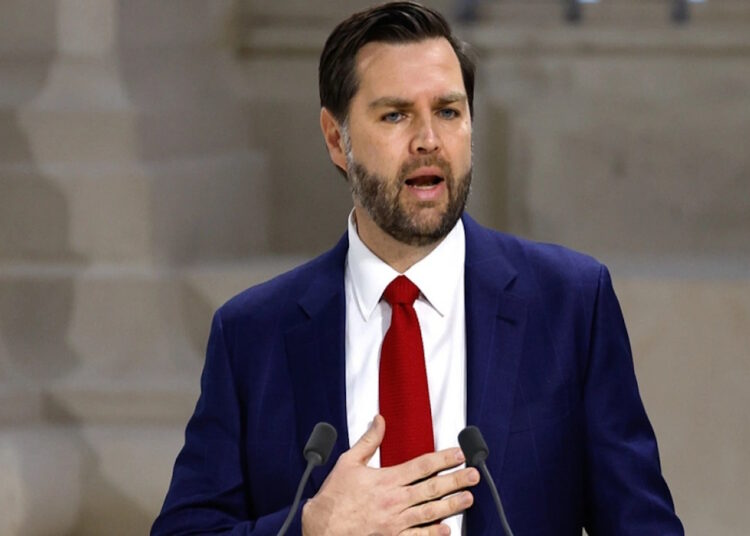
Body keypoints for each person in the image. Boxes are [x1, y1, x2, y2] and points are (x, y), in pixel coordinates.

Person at [152, 2, 684, 534]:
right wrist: (310, 528)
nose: (429, 139)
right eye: (396, 115)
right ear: (337, 139)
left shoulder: (569, 305)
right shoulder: (252, 334)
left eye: (448, 112)